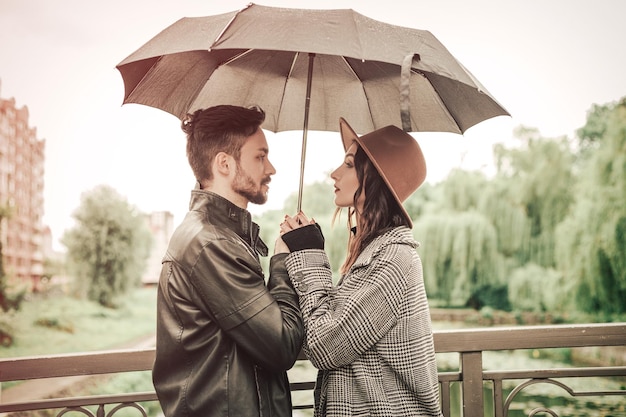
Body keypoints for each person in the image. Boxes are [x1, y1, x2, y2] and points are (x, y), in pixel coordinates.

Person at [276, 117, 443, 417]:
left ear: (375, 177)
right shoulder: (373, 251)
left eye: (349, 164)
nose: (334, 173)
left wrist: (310, 253)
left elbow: (325, 346)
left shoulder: (394, 260)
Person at [152, 105, 304, 417]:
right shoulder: (212, 244)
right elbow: (283, 345)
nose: (271, 168)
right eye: (260, 156)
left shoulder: (217, 235)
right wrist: (280, 262)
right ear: (224, 163)